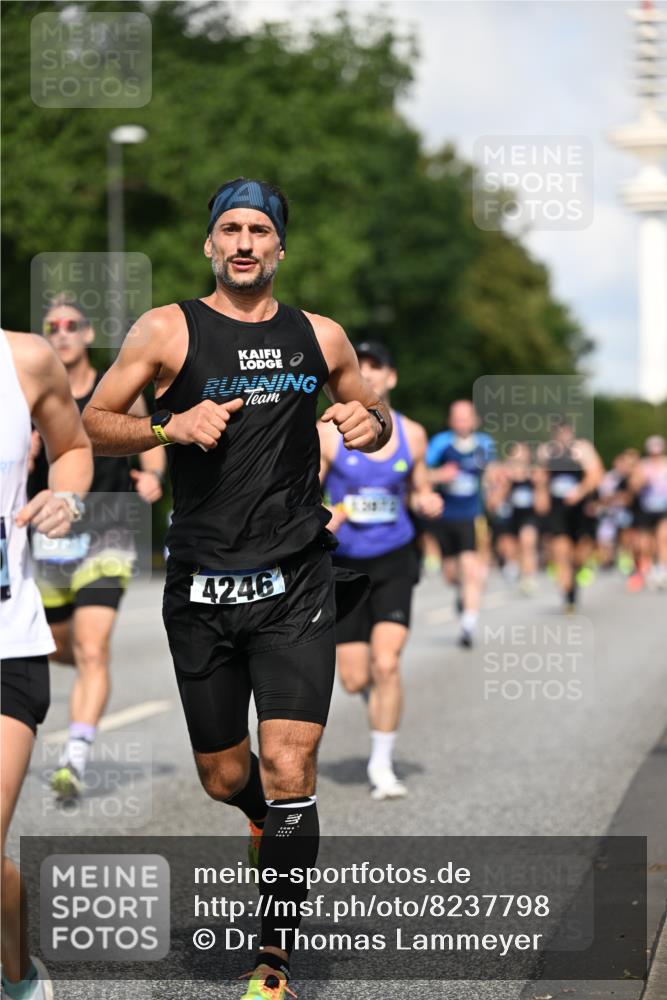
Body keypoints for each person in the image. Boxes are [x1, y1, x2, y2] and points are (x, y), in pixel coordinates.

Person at [81, 177, 391, 999]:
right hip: (203, 584)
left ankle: (273, 959)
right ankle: (260, 815)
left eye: (260, 229)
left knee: (292, 762)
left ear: (280, 247)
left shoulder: (319, 336)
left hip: (296, 580)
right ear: (209, 246)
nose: (245, 241)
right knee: (226, 775)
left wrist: (372, 423)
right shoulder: (165, 330)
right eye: (230, 229)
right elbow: (87, 420)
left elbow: (369, 412)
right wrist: (166, 425)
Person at [29, 295, 166, 801]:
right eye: (53, 326)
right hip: (45, 539)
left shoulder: (116, 387)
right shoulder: (31, 392)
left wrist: (152, 478)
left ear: (87, 335)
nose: (62, 332)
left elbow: (149, 441)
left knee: (91, 645)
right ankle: (85, 662)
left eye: (72, 325)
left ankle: (74, 759)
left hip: (107, 533)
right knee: (55, 643)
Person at [1, 328, 93, 1000]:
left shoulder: (26, 359)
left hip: (8, 640)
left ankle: (18, 975)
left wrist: (67, 497)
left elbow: (74, 447)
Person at [318, 341, 442, 800]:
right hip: (344, 565)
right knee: (354, 677)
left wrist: (426, 501)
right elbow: (304, 499)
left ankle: (382, 764)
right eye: (359, 367)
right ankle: (381, 709)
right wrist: (330, 511)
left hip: (394, 557)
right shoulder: (328, 433)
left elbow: (419, 489)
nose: (367, 374)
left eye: (376, 368)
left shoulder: (415, 434)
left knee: (386, 662)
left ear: (391, 378)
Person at [425, 401, 496, 647]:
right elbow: (421, 473)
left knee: (470, 568)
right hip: (445, 517)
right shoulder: (440, 443)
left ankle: (468, 624)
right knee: (451, 574)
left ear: (475, 420)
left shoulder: (485, 445)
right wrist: (439, 475)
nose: (462, 423)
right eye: (458, 418)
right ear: (450, 421)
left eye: (467, 418)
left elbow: (492, 475)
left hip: (471, 515)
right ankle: (462, 595)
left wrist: (495, 491)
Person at [535, 419, 604, 612]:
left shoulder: (582, 449)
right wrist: (540, 496)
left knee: (579, 555)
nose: (562, 435)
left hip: (580, 510)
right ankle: (567, 595)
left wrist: (579, 492)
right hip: (558, 510)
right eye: (558, 432)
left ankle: (575, 579)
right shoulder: (546, 451)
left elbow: (596, 474)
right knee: (560, 551)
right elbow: (541, 477)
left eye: (565, 431)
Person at [628, 435, 667, 591]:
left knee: (663, 538)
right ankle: (648, 569)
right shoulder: (643, 466)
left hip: (664, 508)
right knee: (645, 544)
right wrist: (641, 481)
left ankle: (663, 569)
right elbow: (633, 487)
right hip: (646, 509)